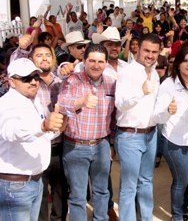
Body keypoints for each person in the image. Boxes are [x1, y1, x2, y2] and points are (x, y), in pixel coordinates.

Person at [10, 38, 69, 221]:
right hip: (35, 147)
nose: (44, 59)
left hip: (59, 146)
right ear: (31, 60)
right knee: (40, 194)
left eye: (47, 55)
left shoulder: (61, 81)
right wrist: (23, 47)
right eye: (39, 55)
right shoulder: (27, 85)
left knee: (61, 192)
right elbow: (15, 66)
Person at [58, 44, 116, 220]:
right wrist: (81, 102)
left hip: (102, 145)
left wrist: (111, 144)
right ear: (84, 61)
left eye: (100, 61)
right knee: (77, 197)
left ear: (106, 63)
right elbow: (61, 104)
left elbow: (114, 117)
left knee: (102, 192)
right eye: (91, 61)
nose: (96, 65)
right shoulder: (73, 80)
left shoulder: (111, 83)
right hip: (76, 147)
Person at [114, 34, 161, 220]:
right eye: (147, 51)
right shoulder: (127, 71)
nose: (150, 55)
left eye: (154, 52)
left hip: (151, 133)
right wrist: (140, 93)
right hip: (130, 136)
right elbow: (120, 103)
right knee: (129, 186)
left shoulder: (155, 73)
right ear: (138, 50)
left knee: (147, 181)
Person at [153, 45, 188, 221]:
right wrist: (168, 110)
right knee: (180, 182)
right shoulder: (168, 84)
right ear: (178, 62)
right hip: (174, 142)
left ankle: (184, 211)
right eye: (185, 60)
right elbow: (158, 114)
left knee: (185, 179)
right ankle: (177, 216)